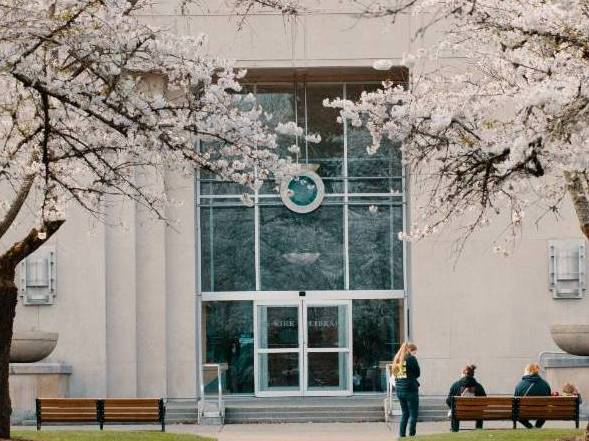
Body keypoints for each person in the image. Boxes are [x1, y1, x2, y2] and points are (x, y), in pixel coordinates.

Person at [391, 342, 420, 437]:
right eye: (414, 352)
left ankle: (402, 435)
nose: (415, 354)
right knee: (413, 414)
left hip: (399, 390)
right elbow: (417, 373)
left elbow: (395, 374)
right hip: (410, 389)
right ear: (410, 350)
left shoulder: (397, 359)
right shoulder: (411, 359)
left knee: (405, 414)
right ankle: (412, 435)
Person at [446, 364, 486, 432]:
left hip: (459, 412)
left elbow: (448, 400)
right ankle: (479, 429)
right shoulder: (479, 387)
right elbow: (485, 401)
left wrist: (452, 407)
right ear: (473, 374)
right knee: (480, 411)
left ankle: (454, 429)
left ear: (464, 374)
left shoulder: (455, 385)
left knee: (454, 411)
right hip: (476, 413)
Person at [514, 363, 552, 429]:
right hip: (541, 412)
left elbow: (515, 401)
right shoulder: (545, 384)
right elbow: (549, 400)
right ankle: (537, 426)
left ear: (528, 371)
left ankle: (530, 427)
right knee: (545, 409)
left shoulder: (520, 385)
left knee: (517, 412)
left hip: (524, 412)